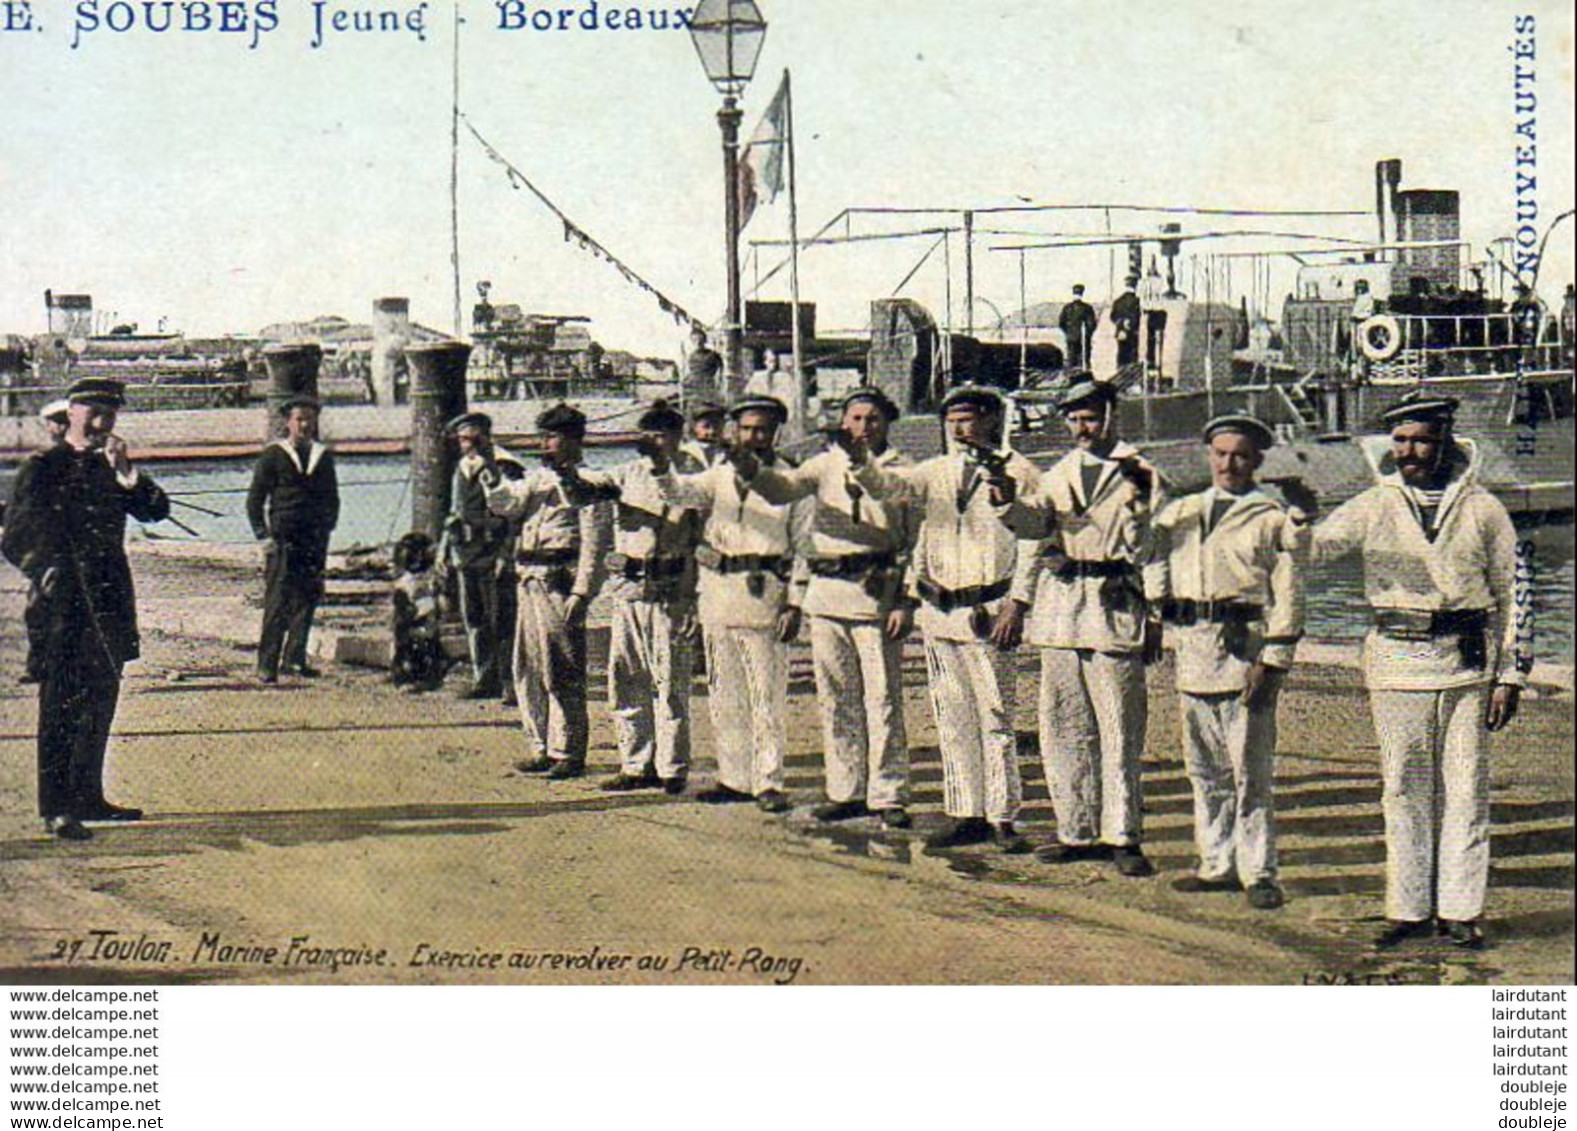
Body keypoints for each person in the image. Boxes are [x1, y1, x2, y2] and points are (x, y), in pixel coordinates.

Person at [1300, 394, 1525, 951]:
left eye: (1421, 440)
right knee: (1402, 788)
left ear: (1445, 440)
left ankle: (1461, 910)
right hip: (1395, 663)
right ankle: (1407, 909)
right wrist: (1293, 523)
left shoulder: (1484, 509)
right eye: (1400, 441)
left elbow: (1515, 592)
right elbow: (1318, 550)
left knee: (1466, 790)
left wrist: (1511, 674)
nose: (1410, 452)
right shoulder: (1373, 504)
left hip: (1466, 664)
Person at [852, 385, 1041, 853]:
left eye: (968, 418)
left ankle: (1002, 816)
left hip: (990, 608)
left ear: (993, 421)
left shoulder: (1020, 471)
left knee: (996, 716)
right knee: (951, 715)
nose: (958, 428)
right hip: (941, 609)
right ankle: (965, 811)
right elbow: (895, 500)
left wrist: (1018, 603)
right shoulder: (933, 472)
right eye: (951, 420)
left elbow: (1035, 542)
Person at [992, 378, 1161, 877]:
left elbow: (1159, 547)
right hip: (1062, 612)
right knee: (1064, 726)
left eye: (1090, 416)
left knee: (1119, 729)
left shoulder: (1141, 472)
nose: (1081, 427)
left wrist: (1157, 616)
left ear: (1111, 415)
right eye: (1073, 418)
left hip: (1116, 607)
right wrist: (1006, 502)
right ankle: (1076, 830)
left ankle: (1123, 836)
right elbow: (1034, 528)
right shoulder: (1059, 473)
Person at [735, 386, 920, 829]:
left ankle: (889, 793)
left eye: (872, 419)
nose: (862, 428)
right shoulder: (823, 465)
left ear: (887, 423)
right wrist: (751, 465)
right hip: (827, 592)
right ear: (843, 423)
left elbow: (916, 540)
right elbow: (781, 491)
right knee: (836, 698)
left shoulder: (905, 470)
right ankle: (845, 789)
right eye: (855, 419)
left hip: (877, 593)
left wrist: (906, 601)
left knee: (883, 699)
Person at [1143, 415, 1306, 910]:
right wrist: (1156, 608)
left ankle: (1259, 871)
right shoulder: (1183, 512)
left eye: (1239, 454)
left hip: (1245, 652)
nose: (1228, 463)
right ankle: (1216, 863)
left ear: (1257, 459)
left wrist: (1274, 660)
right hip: (1193, 651)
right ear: (1208, 456)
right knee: (1205, 770)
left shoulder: (1272, 518)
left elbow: (1290, 594)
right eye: (1220, 453)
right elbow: (1150, 554)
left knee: (1250, 774)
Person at [2, 377, 170, 840]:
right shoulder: (42, 467)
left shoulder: (109, 466)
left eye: (110, 416)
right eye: (94, 414)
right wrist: (47, 568)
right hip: (62, 606)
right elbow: (15, 534)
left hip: (110, 601)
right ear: (71, 412)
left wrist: (128, 473)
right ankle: (56, 807)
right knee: (60, 707)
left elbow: (156, 510)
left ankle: (88, 797)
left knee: (100, 702)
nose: (102, 424)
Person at [652, 395, 811, 813]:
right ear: (735, 431)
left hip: (765, 596)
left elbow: (805, 548)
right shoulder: (719, 474)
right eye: (746, 428)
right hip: (719, 594)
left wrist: (795, 604)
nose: (753, 436)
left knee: (766, 695)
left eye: (762, 429)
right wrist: (659, 465)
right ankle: (734, 776)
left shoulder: (792, 481)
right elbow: (682, 494)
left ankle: (768, 781)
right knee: (725, 694)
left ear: (776, 432)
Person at [557, 401, 705, 795]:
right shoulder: (625, 473)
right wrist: (566, 470)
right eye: (649, 434)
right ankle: (636, 763)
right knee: (626, 679)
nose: (655, 441)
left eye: (663, 434)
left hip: (672, 590)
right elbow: (585, 492)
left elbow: (698, 534)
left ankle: (672, 766)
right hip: (630, 589)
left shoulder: (693, 476)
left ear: (677, 437)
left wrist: (695, 599)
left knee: (671, 682)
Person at [484, 404, 611, 780]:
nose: (546, 445)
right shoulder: (538, 481)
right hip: (529, 579)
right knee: (527, 667)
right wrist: (491, 472)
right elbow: (503, 504)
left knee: (562, 668)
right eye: (544, 437)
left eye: (552, 437)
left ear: (573, 439)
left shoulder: (592, 481)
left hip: (560, 581)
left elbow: (595, 544)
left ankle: (569, 751)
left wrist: (583, 593)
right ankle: (541, 744)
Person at [247, 395, 340, 683]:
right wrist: (264, 536)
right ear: (288, 422)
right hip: (282, 539)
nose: (305, 425)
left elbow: (332, 499)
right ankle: (267, 663)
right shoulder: (273, 455)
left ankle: (295, 658)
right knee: (278, 601)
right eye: (299, 419)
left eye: (310, 419)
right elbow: (254, 501)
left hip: (313, 539)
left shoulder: (322, 456)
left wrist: (326, 530)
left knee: (308, 597)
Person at [442, 412, 525, 701]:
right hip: (466, 552)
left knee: (501, 618)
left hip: (494, 552)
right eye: (464, 439)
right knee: (475, 618)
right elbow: (455, 513)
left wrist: (507, 554)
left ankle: (510, 682)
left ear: (486, 437)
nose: (468, 445)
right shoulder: (461, 469)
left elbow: (515, 516)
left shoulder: (505, 467)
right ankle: (484, 677)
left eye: (474, 438)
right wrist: (446, 550)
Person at [20, 400, 72, 685]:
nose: (59, 428)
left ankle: (55, 666)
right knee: (37, 611)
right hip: (46, 548)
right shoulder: (42, 461)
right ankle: (39, 665)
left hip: (67, 548)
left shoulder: (81, 459)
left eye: (63, 422)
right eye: (55, 422)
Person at [390, 531, 446, 693]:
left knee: (429, 650)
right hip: (412, 623)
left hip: (425, 620)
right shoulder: (405, 582)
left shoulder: (428, 580)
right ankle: (408, 678)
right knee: (408, 652)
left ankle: (428, 678)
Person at [1059, 284, 1099, 371]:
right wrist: (1088, 335)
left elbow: (1061, 323)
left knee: (1071, 360)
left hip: (1071, 338)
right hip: (1083, 339)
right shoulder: (1087, 308)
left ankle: (1071, 376)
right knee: (1084, 361)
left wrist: (1068, 333)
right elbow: (1091, 325)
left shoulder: (1067, 308)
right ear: (1082, 293)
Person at [683, 400, 729, 468]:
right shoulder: (684, 453)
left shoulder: (728, 454)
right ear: (694, 427)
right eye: (706, 426)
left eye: (716, 426)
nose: (712, 431)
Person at [1110, 276, 1143, 368]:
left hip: (1120, 332)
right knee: (1132, 359)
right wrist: (1128, 325)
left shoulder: (1118, 301)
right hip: (1132, 333)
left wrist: (1121, 324)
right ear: (1135, 286)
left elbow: (1113, 316)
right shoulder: (1136, 301)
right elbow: (1135, 317)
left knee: (1121, 355)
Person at [685, 326, 724, 401]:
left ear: (705, 341)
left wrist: (718, 387)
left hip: (708, 388)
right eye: (695, 340)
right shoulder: (690, 356)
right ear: (691, 341)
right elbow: (687, 373)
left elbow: (720, 374)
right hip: (692, 389)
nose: (698, 343)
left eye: (700, 340)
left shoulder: (713, 355)